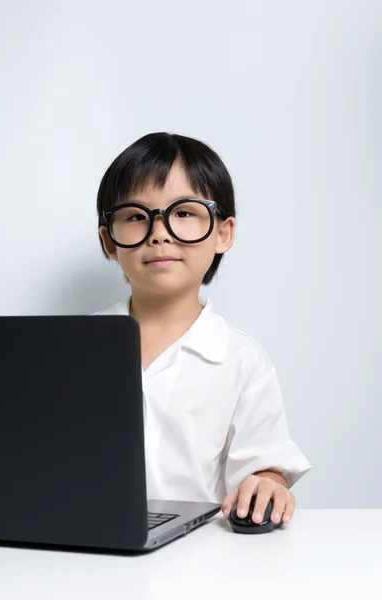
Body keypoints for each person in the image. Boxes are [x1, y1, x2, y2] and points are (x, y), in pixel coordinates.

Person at [94, 132, 311, 526]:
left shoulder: (242, 360)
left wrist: (266, 482)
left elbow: (265, 465)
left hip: (200, 555)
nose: (159, 233)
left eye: (183, 213)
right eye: (136, 217)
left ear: (223, 233)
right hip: (85, 548)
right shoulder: (69, 350)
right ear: (110, 240)